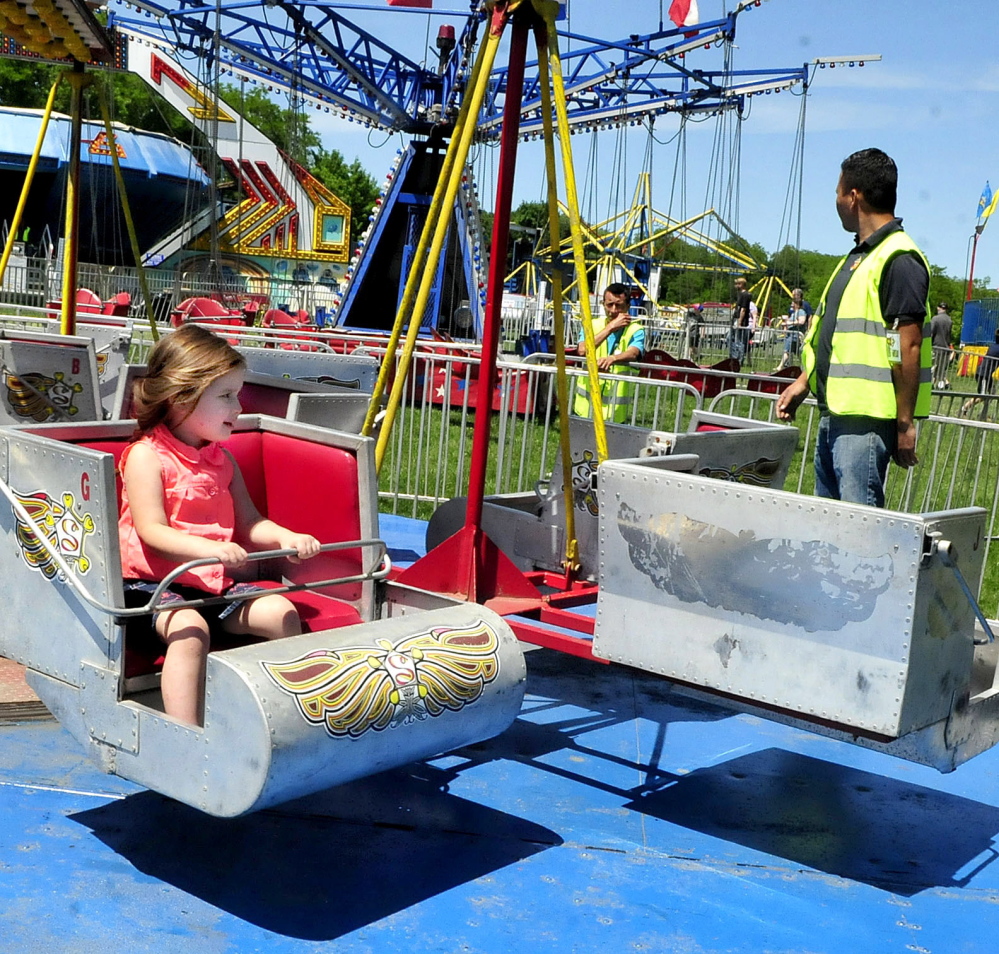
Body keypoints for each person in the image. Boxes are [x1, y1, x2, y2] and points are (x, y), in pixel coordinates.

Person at [118, 325, 321, 725]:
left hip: (213, 585)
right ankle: (185, 734)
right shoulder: (147, 456)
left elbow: (251, 523)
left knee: (281, 613)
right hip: (152, 588)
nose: (238, 407)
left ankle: (280, 718)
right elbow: (152, 531)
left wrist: (287, 537)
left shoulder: (221, 461)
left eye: (238, 394)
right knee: (190, 631)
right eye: (226, 396)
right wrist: (209, 549)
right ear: (181, 398)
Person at [776, 148, 932, 508]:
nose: (835, 199)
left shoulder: (898, 258)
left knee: (859, 531)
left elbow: (904, 345)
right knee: (830, 528)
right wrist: (804, 383)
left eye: (837, 191)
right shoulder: (859, 258)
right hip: (837, 412)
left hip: (864, 421)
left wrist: (904, 422)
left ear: (853, 196)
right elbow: (835, 336)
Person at [573, 283, 646, 422]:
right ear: (603, 304)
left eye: (619, 305)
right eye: (609, 305)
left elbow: (634, 352)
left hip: (614, 412)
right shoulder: (591, 324)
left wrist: (613, 358)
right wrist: (610, 328)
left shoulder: (636, 329)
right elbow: (582, 350)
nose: (614, 310)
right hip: (585, 408)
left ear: (628, 306)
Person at [774, 288, 812, 372]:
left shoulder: (801, 311)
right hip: (791, 334)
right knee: (798, 353)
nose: (791, 304)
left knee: (787, 351)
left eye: (793, 303)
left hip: (794, 335)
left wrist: (788, 323)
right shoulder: (795, 312)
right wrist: (785, 322)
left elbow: (802, 321)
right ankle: (805, 367)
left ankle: (780, 367)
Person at [929, 302, 954, 389]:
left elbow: (931, 333)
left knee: (934, 366)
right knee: (941, 367)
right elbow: (949, 335)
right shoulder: (949, 320)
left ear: (938, 308)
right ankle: (942, 384)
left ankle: (933, 384)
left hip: (936, 346)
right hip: (945, 347)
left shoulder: (935, 319)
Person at [728, 277, 752, 363]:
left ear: (741, 284)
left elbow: (743, 309)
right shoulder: (740, 294)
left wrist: (740, 321)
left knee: (739, 340)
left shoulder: (745, 295)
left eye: (737, 284)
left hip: (740, 320)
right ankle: (733, 357)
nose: (735, 286)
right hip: (736, 318)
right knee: (730, 338)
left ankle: (738, 360)